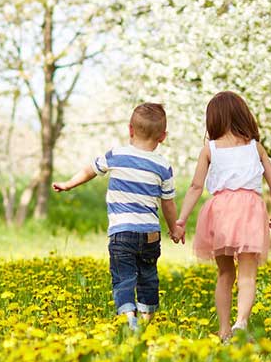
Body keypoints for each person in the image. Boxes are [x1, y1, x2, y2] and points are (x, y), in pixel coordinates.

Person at [52, 103, 178, 330]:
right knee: (148, 276)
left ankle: (129, 317)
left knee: (123, 277)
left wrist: (68, 184)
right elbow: (168, 204)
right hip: (150, 234)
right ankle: (147, 321)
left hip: (121, 233)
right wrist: (175, 229)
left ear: (130, 129)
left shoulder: (116, 155)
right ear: (163, 137)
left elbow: (90, 170)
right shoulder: (163, 166)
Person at [173, 91, 271, 342]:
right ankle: (241, 323)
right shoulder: (255, 148)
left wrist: (181, 220)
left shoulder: (210, 149)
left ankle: (224, 330)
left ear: (212, 119)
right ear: (243, 116)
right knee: (248, 273)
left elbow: (195, 187)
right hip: (249, 210)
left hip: (220, 211)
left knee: (225, 274)